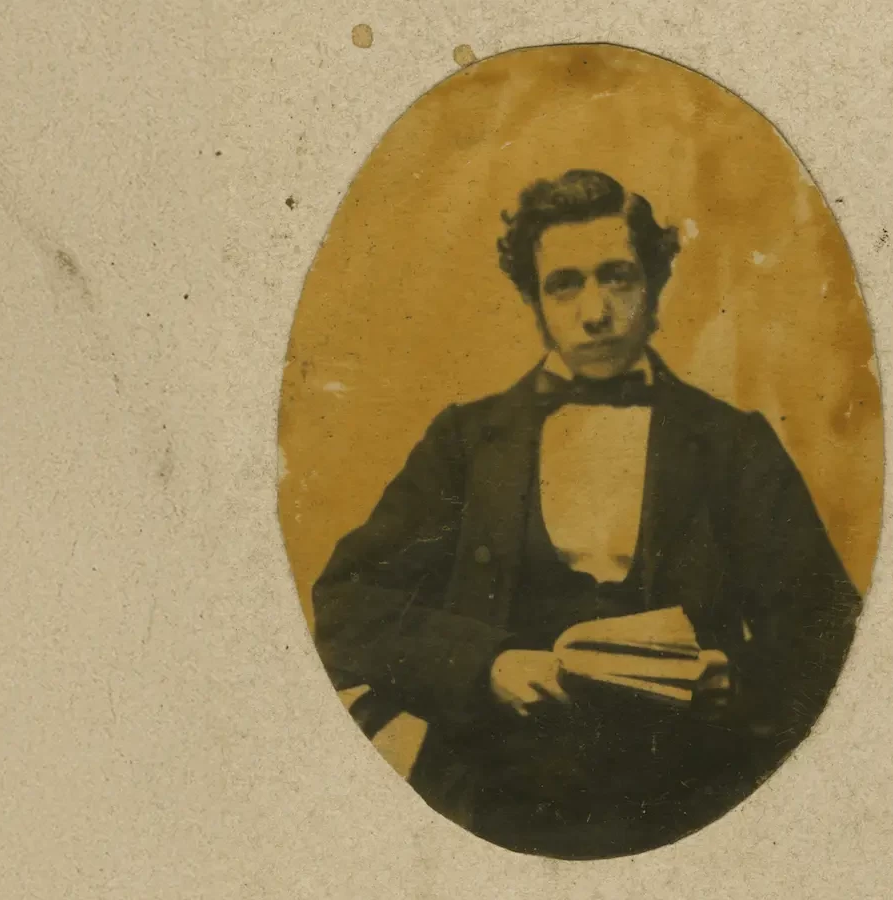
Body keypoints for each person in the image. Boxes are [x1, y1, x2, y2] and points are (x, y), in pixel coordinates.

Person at [311, 169, 862, 859]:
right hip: (491, 800)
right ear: (534, 300)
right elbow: (346, 605)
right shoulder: (467, 443)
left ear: (654, 284)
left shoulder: (731, 444)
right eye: (564, 284)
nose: (595, 312)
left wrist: (737, 681)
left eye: (617, 277)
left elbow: (828, 630)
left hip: (690, 801)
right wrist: (485, 665)